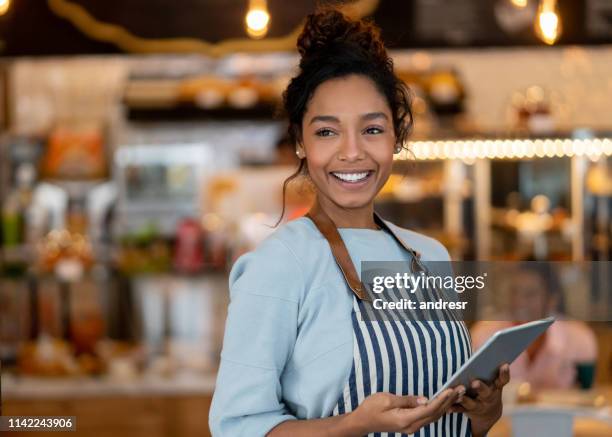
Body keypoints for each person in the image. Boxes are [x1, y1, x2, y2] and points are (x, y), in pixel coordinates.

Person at [210, 9, 509, 437]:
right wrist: (350, 426)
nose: (352, 153)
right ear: (299, 141)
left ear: (397, 136)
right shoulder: (280, 264)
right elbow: (237, 429)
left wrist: (481, 417)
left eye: (372, 129)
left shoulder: (431, 255)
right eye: (327, 132)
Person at [471, 262, 598, 390]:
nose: (518, 302)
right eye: (514, 291)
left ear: (552, 300)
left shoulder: (579, 338)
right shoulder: (483, 335)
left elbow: (587, 394)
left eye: (530, 294)